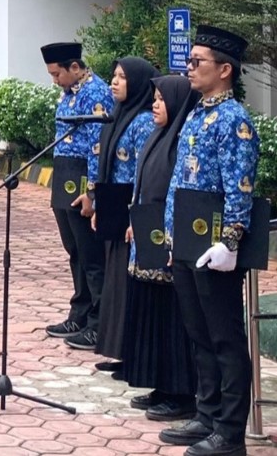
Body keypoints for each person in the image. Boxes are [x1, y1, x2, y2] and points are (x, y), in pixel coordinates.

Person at [159, 25, 259, 456]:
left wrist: (231, 241)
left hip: (215, 244)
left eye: (197, 61)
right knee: (198, 335)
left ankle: (230, 433)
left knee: (224, 338)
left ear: (224, 70)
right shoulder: (197, 112)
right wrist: (171, 237)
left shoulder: (234, 119)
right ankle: (208, 412)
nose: (189, 68)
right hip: (186, 238)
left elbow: (240, 187)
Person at [121, 75, 198, 422]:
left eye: (161, 99)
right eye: (153, 98)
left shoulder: (181, 142)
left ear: (178, 103)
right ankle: (161, 385)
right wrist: (134, 221)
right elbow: (143, 186)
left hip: (168, 241)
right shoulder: (157, 136)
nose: (154, 105)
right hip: (146, 234)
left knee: (171, 319)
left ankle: (180, 393)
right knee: (151, 313)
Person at [41, 42, 115, 350]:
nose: (55, 81)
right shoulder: (70, 92)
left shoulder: (95, 93)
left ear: (74, 67)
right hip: (65, 173)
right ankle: (80, 313)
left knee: (91, 255)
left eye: (57, 74)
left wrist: (92, 191)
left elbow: (98, 146)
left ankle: (99, 323)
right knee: (75, 251)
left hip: (84, 176)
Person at [91, 57, 157, 369]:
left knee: (127, 284)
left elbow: (144, 171)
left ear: (139, 83)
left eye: (122, 77)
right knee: (115, 282)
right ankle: (120, 351)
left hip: (131, 206)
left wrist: (136, 216)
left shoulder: (142, 121)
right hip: (114, 202)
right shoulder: (118, 114)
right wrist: (99, 205)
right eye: (113, 76)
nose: (114, 82)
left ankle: (132, 355)